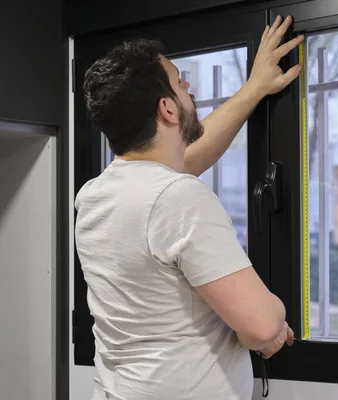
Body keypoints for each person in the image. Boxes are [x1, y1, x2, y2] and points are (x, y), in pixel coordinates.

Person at [75, 15, 304, 400]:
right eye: (180, 81)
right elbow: (262, 327)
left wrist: (254, 88)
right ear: (167, 109)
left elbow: (187, 158)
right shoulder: (178, 196)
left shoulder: (95, 194)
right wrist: (274, 320)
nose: (189, 85)